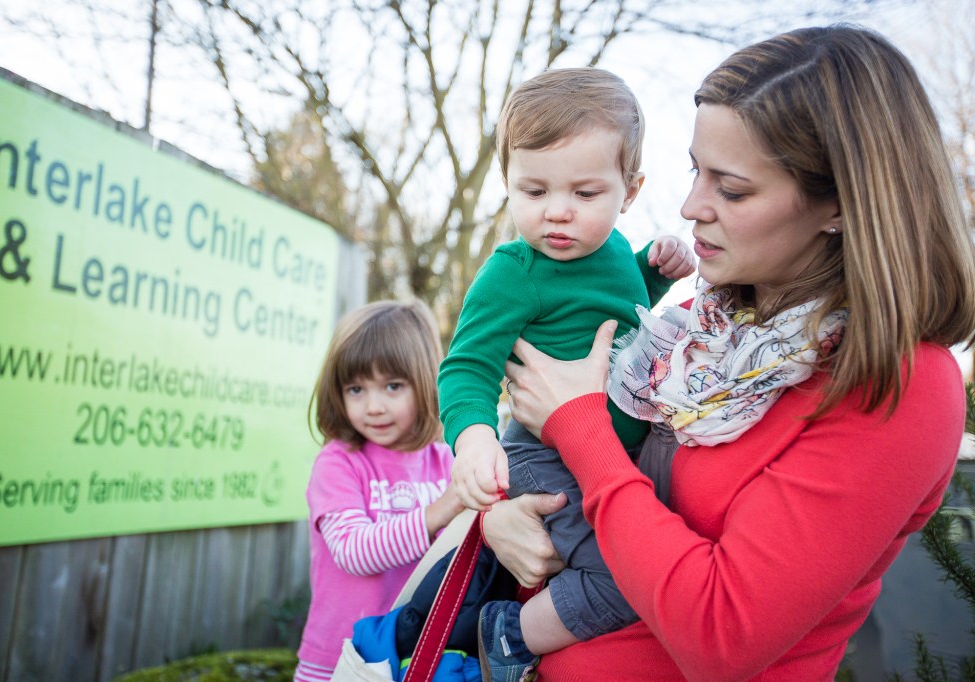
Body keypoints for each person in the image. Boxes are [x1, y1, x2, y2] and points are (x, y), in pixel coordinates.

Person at [474, 24, 975, 681]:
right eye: (695, 171)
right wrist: (502, 517)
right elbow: (572, 484)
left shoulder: (898, 384)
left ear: (839, 205)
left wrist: (581, 429)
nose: (690, 207)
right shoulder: (697, 332)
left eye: (731, 189)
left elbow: (722, 635)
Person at [438, 67, 695, 680]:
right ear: (507, 182)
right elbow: (467, 365)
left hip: (605, 451)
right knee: (629, 577)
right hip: (544, 454)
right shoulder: (512, 272)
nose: (557, 213)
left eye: (584, 194)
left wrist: (654, 271)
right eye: (533, 191)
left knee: (641, 553)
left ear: (629, 191)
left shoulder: (613, 250)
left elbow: (613, 309)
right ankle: (509, 635)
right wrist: (472, 438)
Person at [294, 300, 464, 682]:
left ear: (424, 383)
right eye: (356, 389)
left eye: (392, 386)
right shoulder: (338, 463)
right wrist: (438, 512)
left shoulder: (447, 461)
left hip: (417, 658)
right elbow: (352, 550)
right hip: (339, 660)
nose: (373, 406)